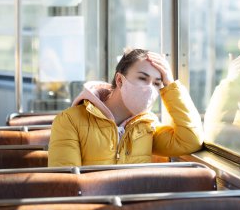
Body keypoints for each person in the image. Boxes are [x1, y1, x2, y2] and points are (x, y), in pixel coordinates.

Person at [48, 49, 204, 166]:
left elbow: (190, 140)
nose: (150, 88)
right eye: (143, 78)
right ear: (120, 80)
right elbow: (67, 183)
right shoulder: (70, 120)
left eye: (157, 83)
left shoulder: (147, 127)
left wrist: (170, 85)